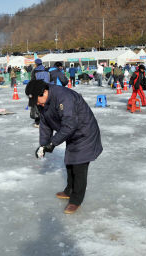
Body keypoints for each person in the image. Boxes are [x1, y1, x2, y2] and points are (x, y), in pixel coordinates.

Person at [25, 80, 103, 214]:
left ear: (44, 92)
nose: (38, 104)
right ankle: (69, 190)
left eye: (38, 100)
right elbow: (45, 123)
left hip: (84, 132)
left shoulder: (64, 97)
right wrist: (44, 145)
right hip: (71, 134)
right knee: (70, 162)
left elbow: (70, 125)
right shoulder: (44, 101)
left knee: (79, 165)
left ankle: (76, 200)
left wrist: (53, 143)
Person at [30, 58, 50, 128]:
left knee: (37, 106)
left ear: (36, 64)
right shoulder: (46, 70)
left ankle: (38, 122)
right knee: (46, 105)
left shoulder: (34, 71)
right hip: (47, 89)